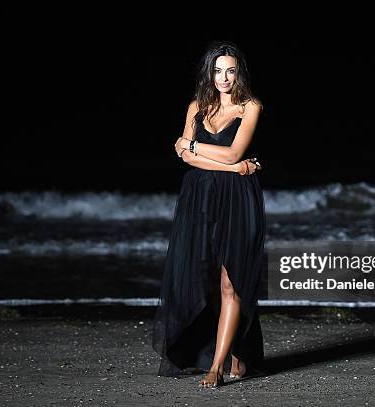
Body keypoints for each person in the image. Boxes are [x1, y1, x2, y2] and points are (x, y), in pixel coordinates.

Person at [152, 40, 266, 389]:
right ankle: (234, 353)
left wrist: (193, 145)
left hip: (237, 200)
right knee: (206, 281)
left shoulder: (251, 107)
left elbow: (231, 153)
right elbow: (188, 160)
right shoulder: (196, 107)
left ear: (239, 73)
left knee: (231, 281)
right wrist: (231, 165)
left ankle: (216, 367)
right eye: (218, 70)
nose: (224, 77)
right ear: (209, 73)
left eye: (230, 70)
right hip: (199, 198)